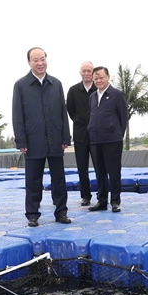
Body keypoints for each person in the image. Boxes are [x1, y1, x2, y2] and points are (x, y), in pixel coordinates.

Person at [12, 47, 72, 227]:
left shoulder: (56, 84)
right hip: (32, 141)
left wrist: (65, 137)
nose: (40, 63)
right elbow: (17, 115)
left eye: (43, 59)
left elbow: (63, 112)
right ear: (29, 62)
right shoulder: (21, 85)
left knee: (59, 179)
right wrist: (21, 140)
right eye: (36, 60)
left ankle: (61, 212)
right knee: (33, 180)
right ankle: (32, 214)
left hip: (55, 140)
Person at [87, 66, 128, 212]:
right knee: (99, 172)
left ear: (108, 77)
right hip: (95, 140)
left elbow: (123, 117)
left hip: (112, 140)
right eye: (96, 78)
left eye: (101, 77)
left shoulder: (116, 94)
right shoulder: (92, 96)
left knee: (114, 171)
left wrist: (117, 134)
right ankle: (101, 201)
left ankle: (115, 201)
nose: (98, 80)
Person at [66, 62, 96, 206]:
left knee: (100, 167)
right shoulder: (73, 90)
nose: (86, 73)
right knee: (82, 167)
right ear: (80, 73)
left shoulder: (99, 88)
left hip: (97, 134)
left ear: (93, 72)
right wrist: (80, 121)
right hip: (80, 134)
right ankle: (86, 196)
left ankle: (103, 195)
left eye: (89, 71)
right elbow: (71, 111)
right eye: (84, 71)